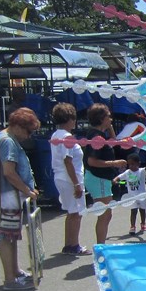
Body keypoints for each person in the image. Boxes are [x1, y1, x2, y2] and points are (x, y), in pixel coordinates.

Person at [0, 108, 41, 291]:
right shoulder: (7, 142)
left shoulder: (5, 137)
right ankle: (10, 280)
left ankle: (15, 271)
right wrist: (27, 190)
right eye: (28, 131)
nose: (29, 136)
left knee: (12, 236)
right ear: (18, 126)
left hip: (8, 194)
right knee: (7, 236)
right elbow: (9, 172)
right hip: (6, 195)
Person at [50, 103, 91, 255]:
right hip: (69, 178)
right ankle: (74, 245)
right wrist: (77, 184)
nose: (75, 122)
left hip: (60, 177)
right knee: (76, 213)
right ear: (69, 119)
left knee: (70, 211)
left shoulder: (56, 135)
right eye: (73, 118)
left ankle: (69, 244)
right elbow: (68, 161)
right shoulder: (67, 137)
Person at [83, 103, 127, 243]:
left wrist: (110, 128)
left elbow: (114, 143)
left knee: (107, 214)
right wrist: (114, 163)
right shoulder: (96, 137)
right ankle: (101, 246)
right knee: (104, 214)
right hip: (98, 177)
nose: (111, 119)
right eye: (108, 117)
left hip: (102, 178)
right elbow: (92, 161)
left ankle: (102, 245)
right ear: (101, 118)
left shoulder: (101, 134)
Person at [114, 153, 146, 235]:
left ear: (138, 163)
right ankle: (132, 226)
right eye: (129, 164)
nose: (131, 166)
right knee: (133, 211)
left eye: (133, 164)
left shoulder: (141, 172)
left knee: (142, 210)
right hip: (132, 196)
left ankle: (143, 223)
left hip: (142, 195)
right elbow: (119, 177)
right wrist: (116, 180)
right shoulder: (127, 173)